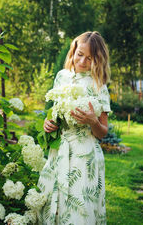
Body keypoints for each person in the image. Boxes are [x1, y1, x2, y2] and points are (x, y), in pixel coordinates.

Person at [37, 31, 111, 224]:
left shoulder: (98, 85)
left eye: (90, 58)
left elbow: (103, 132)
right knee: (53, 204)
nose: (83, 61)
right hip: (59, 150)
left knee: (79, 207)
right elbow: (55, 113)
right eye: (80, 54)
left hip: (85, 157)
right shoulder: (62, 77)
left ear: (97, 60)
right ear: (73, 51)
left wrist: (92, 121)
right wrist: (48, 124)